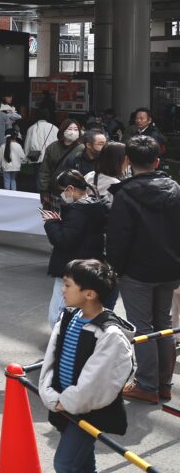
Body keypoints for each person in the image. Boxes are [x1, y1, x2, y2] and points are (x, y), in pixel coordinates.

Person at [39, 259, 135, 473]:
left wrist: (65, 402)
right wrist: (51, 394)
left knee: (65, 464)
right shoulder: (69, 317)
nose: (63, 289)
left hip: (89, 410)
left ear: (89, 294)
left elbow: (97, 382)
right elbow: (52, 359)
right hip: (64, 403)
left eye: (68, 285)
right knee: (81, 462)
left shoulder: (109, 334)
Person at [107, 135, 180, 404]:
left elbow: (118, 238)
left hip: (137, 271)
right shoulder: (175, 189)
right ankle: (164, 384)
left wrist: (115, 269)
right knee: (164, 324)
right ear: (157, 161)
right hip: (170, 268)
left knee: (143, 327)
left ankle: (147, 385)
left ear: (127, 161)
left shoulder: (125, 194)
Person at [41, 169, 113, 330]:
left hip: (71, 265)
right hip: (89, 264)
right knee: (79, 309)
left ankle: (60, 340)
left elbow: (64, 240)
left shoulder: (77, 210)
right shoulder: (96, 205)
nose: (61, 195)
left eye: (62, 191)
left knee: (58, 311)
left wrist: (51, 223)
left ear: (70, 189)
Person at [38, 119, 83, 207]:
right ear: (63, 130)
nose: (73, 132)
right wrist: (44, 190)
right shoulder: (52, 147)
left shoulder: (82, 149)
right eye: (70, 129)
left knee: (70, 214)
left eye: (76, 129)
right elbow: (44, 171)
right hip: (54, 191)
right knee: (53, 213)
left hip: (73, 192)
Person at [24, 110, 60, 183]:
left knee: (39, 178)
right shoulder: (54, 128)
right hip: (51, 157)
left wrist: (26, 156)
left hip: (37, 157)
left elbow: (27, 144)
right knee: (50, 177)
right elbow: (59, 144)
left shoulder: (32, 128)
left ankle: (40, 190)